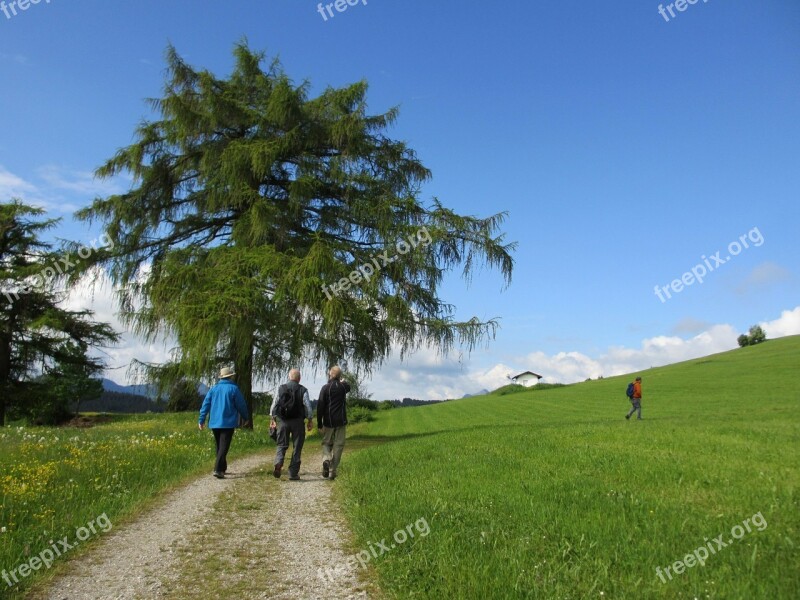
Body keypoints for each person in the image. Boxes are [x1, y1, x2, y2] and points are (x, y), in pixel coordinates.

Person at [198, 367, 251, 479]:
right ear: (231, 376)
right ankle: (218, 469)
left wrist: (201, 420)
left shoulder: (213, 389)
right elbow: (241, 405)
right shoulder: (234, 389)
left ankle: (222, 468)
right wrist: (246, 417)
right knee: (224, 447)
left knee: (219, 446)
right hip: (228, 422)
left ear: (221, 377)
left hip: (214, 422)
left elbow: (205, 405)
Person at [269, 368, 313, 480]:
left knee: (281, 444)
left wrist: (272, 418)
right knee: (297, 446)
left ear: (289, 377)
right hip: (298, 422)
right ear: (299, 378)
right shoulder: (303, 390)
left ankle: (278, 464)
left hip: (283, 421)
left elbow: (274, 404)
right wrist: (310, 420)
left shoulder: (281, 388)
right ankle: (293, 473)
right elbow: (307, 406)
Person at [317, 365, 351, 481]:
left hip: (328, 420)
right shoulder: (343, 387)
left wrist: (319, 423)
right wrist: (343, 381)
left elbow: (320, 406)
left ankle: (326, 459)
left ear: (330, 374)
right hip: (341, 420)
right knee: (339, 445)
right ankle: (333, 470)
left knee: (326, 443)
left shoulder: (325, 388)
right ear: (340, 376)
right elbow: (348, 386)